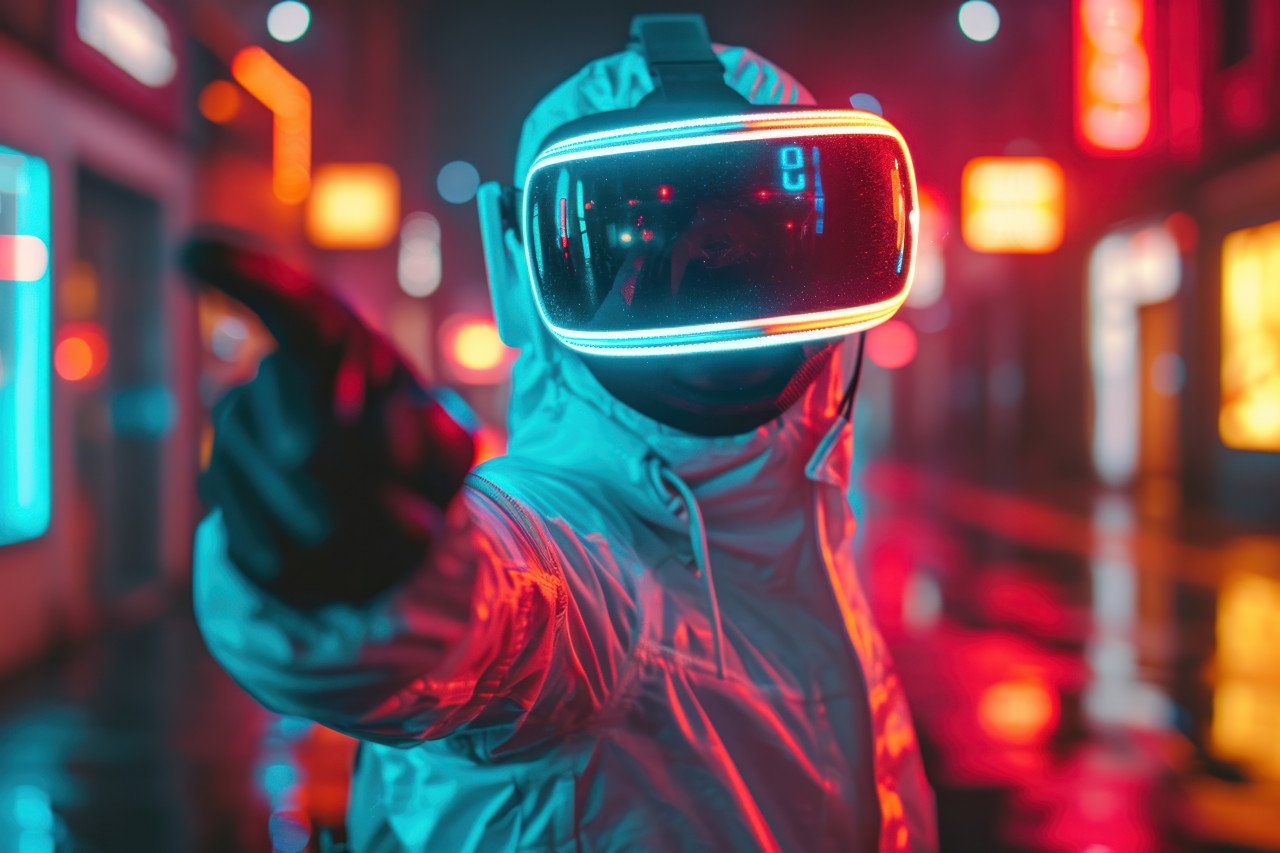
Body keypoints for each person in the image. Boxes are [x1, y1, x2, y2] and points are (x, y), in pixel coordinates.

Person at [191, 15, 936, 852]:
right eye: (642, 243)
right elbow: (498, 614)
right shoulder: (583, 564)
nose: (713, 280)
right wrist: (360, 573)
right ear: (523, 270)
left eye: (755, 240)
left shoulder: (796, 523)